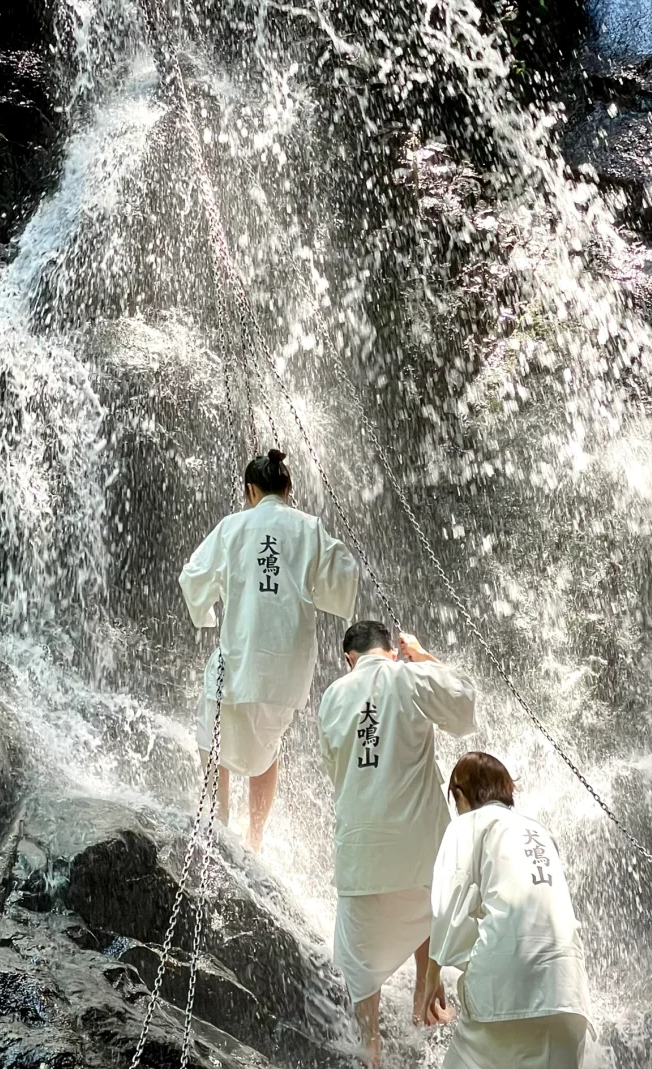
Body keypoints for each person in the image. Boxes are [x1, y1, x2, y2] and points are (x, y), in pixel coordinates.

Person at [180, 448, 360, 852]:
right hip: (286, 668)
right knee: (268, 746)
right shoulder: (308, 527)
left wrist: (209, 611)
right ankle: (256, 839)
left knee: (214, 737)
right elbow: (345, 574)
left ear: (250, 490)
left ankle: (218, 826)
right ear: (289, 488)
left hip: (239, 656)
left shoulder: (232, 527)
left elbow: (193, 576)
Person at [318, 619, 477, 1066]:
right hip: (421, 856)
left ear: (349, 659)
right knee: (430, 905)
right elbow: (463, 707)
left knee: (360, 967)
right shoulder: (409, 676)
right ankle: (426, 1002)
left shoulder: (333, 695)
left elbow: (334, 767)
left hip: (360, 859)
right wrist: (423, 655)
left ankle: (371, 1048)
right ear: (391, 650)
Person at [418, 752, 593, 1069]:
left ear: (460, 793)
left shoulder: (467, 825)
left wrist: (432, 974)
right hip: (568, 996)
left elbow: (447, 905)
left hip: (503, 994)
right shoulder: (540, 832)